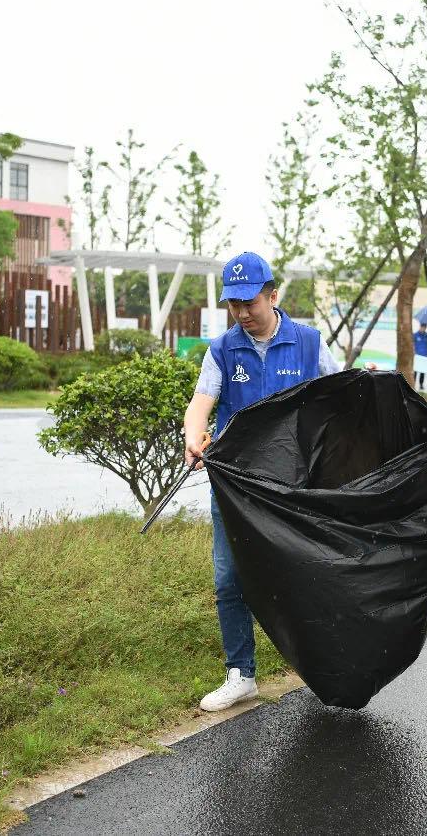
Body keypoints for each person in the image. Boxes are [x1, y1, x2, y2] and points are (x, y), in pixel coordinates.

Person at [183, 251, 342, 712]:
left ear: (273, 295)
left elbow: (342, 400)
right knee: (229, 576)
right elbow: (200, 406)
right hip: (235, 488)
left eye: (249, 303)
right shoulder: (223, 349)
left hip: (295, 488)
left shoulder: (310, 344)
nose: (241, 313)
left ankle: (319, 666)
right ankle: (241, 674)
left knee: (304, 574)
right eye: (233, 304)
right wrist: (195, 439)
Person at [413, 322, 427, 389]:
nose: (423, 329)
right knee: (415, 371)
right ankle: (413, 384)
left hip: (424, 355)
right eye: (422, 327)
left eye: (425, 328)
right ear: (420, 327)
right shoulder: (415, 335)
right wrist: (414, 352)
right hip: (417, 355)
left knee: (423, 371)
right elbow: (413, 345)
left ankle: (421, 384)